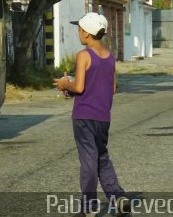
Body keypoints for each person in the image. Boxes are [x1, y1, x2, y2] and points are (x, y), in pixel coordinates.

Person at [53, 12, 131, 217]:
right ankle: (118, 197)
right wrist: (72, 89)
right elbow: (112, 88)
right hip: (103, 116)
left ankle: (88, 208)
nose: (78, 33)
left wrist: (64, 84)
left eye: (79, 29)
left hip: (84, 117)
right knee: (101, 157)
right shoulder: (110, 57)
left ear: (87, 33)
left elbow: (79, 87)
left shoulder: (83, 55)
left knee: (88, 160)